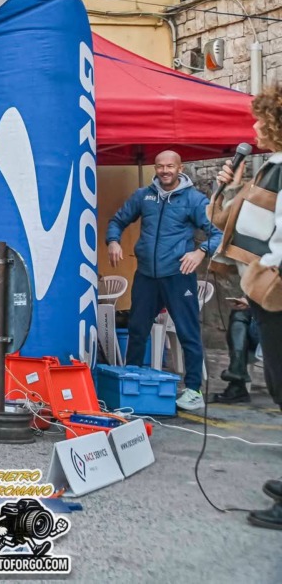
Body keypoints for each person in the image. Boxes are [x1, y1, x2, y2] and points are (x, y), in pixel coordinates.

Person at [208, 86, 282, 530]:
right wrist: (227, 189)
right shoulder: (269, 170)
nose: (253, 127)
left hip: (274, 290)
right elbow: (226, 223)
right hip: (264, 292)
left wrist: (267, 276)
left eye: (261, 119)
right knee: (276, 385)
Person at [107, 150, 223, 411]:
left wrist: (200, 251)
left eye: (170, 166)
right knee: (137, 329)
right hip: (147, 274)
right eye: (160, 166)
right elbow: (118, 220)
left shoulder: (194, 199)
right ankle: (132, 380)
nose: (165, 171)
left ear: (180, 167)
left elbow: (217, 234)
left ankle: (193, 389)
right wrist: (113, 240)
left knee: (188, 331)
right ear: (155, 168)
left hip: (178, 275)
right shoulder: (143, 196)